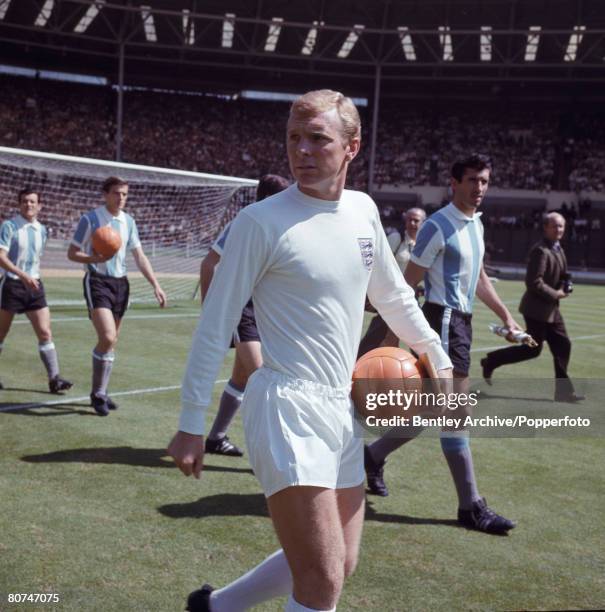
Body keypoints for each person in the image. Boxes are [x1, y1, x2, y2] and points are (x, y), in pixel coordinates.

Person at [168, 89, 452, 612]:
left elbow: (390, 294)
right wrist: (191, 421)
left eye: (317, 139)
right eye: (293, 138)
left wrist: (436, 352)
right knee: (321, 581)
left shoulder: (364, 211)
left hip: (339, 407)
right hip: (284, 407)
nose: (301, 150)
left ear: (352, 146)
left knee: (341, 561)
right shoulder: (260, 223)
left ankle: (214, 607)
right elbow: (216, 324)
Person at [364, 154, 521, 535]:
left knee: (431, 411)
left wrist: (506, 317)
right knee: (455, 413)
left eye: (484, 181)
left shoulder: (475, 225)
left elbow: (480, 278)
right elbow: (406, 285)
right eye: (471, 180)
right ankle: (471, 506)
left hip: (461, 323)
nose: (479, 187)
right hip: (443, 320)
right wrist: (390, 332)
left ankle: (371, 456)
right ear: (453, 182)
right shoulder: (437, 225)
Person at [201, 174, 290, 457]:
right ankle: (276, 453)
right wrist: (210, 309)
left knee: (241, 377)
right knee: (263, 379)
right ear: (268, 197)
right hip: (244, 309)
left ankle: (216, 438)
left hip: (268, 311)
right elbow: (209, 263)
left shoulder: (278, 225)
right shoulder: (244, 223)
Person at [67, 176, 167, 416]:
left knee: (112, 342)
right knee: (108, 337)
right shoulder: (90, 219)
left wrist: (155, 284)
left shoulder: (129, 221)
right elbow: (72, 253)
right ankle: (97, 394)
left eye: (124, 194)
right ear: (105, 194)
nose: (120, 198)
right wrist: (95, 259)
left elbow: (139, 255)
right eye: (116, 193)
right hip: (97, 282)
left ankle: (101, 391)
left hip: (121, 284)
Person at [480, 212, 584, 403]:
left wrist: (565, 282)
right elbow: (534, 282)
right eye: (555, 226)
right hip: (536, 310)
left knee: (562, 345)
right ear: (545, 228)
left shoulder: (558, 248)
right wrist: (557, 294)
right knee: (532, 349)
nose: (559, 230)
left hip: (551, 311)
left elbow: (558, 273)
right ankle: (491, 361)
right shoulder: (541, 250)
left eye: (561, 226)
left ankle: (563, 392)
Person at [0, 188, 72, 393]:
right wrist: (23, 276)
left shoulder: (43, 230)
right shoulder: (9, 226)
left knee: (45, 332)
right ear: (19, 204)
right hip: (12, 285)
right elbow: (1, 257)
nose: (28, 205)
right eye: (24, 201)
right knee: (1, 334)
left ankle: (54, 379)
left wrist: (32, 277)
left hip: (35, 286)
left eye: (32, 202)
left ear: (39, 206)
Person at [357, 206, 426, 357]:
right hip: (392, 295)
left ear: (423, 223)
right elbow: (379, 262)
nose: (412, 223)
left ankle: (427, 374)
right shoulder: (397, 238)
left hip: (411, 296)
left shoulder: (424, 243)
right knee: (378, 335)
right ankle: (358, 366)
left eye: (416, 220)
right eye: (409, 219)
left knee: (419, 338)